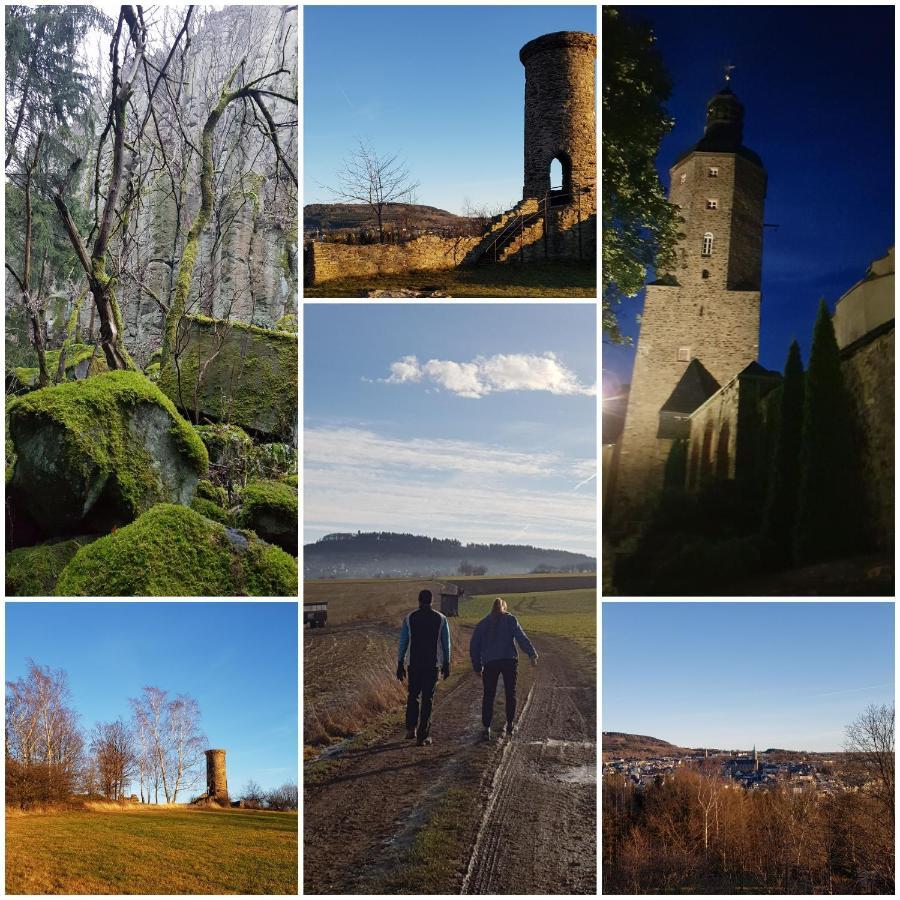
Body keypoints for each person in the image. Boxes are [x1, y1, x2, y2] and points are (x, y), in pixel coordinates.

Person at [469, 597, 537, 740]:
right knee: (510, 692)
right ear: (504, 608)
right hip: (509, 660)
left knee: (489, 694)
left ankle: (486, 728)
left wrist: (477, 666)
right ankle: (511, 724)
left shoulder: (482, 624)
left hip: (490, 662)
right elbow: (521, 637)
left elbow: (474, 646)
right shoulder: (510, 620)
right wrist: (531, 654)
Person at [396, 589, 451, 746]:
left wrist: (400, 663)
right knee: (428, 698)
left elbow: (403, 642)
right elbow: (446, 644)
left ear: (419, 601)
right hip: (431, 665)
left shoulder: (409, 618)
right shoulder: (441, 619)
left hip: (413, 663)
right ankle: (423, 735)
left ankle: (410, 729)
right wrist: (446, 663)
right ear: (431, 601)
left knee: (413, 695)